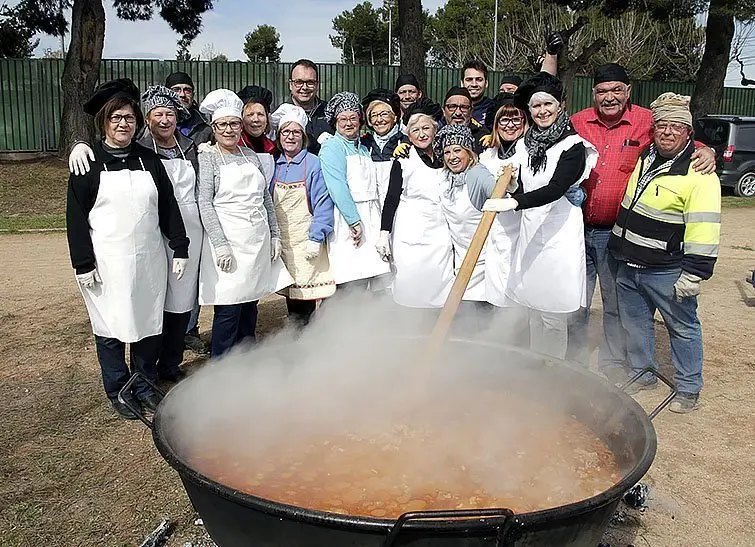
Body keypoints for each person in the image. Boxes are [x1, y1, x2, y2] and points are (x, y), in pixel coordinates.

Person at [569, 63, 716, 379]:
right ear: (594, 93)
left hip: (613, 235)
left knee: (613, 304)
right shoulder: (578, 122)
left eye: (616, 90)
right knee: (573, 302)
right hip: (574, 230)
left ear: (628, 92)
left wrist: (707, 150)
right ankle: (574, 362)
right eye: (603, 91)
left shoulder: (646, 121)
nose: (610, 97)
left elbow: (678, 133)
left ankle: (611, 363)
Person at [66, 78, 189, 419]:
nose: (123, 124)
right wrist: (83, 263)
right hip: (106, 264)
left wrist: (179, 246)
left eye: (129, 118)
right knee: (111, 326)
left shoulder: (149, 160)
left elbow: (168, 207)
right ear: (104, 122)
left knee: (148, 323)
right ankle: (119, 389)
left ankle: (145, 385)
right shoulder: (87, 163)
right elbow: (75, 218)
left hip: (149, 259)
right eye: (116, 118)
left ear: (138, 124)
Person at [609, 92, 721, 414]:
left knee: (682, 327)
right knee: (635, 324)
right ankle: (642, 373)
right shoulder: (647, 156)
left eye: (676, 127)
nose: (668, 132)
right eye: (662, 126)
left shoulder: (699, 173)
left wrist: (695, 273)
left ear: (688, 133)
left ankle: (688, 388)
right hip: (629, 262)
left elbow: (704, 226)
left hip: (666, 269)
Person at [481, 73, 597, 360]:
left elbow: (556, 189)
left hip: (559, 236)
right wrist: (512, 186)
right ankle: (535, 366)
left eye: (548, 104)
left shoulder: (573, 147)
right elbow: (525, 182)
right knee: (533, 306)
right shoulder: (526, 144)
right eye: (535, 106)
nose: (542, 111)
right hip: (531, 233)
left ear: (560, 106)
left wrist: (513, 202)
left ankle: (554, 371)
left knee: (552, 314)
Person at [196, 89, 287, 357]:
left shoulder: (250, 155)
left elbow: (265, 199)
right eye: (222, 125)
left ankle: (246, 358)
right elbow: (205, 202)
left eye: (234, 124)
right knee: (229, 306)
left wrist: (274, 234)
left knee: (250, 303)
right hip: (229, 243)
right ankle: (221, 363)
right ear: (214, 127)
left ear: (241, 126)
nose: (229, 130)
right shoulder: (208, 156)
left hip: (255, 241)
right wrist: (220, 244)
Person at [137, 85, 203, 382]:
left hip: (191, 229)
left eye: (170, 114)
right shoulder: (139, 149)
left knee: (181, 301)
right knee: (153, 299)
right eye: (158, 114)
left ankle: (171, 363)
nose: (165, 120)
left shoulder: (189, 146)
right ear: (147, 118)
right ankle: (146, 369)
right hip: (154, 229)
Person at [376, 98, 454, 308]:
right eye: (416, 130)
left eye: (426, 128)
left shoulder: (447, 157)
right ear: (408, 135)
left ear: (435, 129)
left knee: (440, 287)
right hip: (410, 233)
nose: (422, 134)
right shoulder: (403, 160)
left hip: (439, 234)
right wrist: (384, 233)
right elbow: (391, 199)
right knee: (411, 287)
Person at [269, 103, 336, 327]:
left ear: (303, 136)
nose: (290, 137)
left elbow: (323, 203)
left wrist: (316, 238)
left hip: (308, 242)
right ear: (278, 136)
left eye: (295, 132)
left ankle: (320, 344)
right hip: (286, 244)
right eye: (285, 132)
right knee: (295, 303)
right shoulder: (274, 165)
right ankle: (298, 345)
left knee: (317, 297)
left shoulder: (313, 164)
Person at [318, 92, 391, 291]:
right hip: (348, 220)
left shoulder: (363, 148)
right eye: (343, 118)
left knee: (379, 282)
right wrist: (353, 221)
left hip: (372, 217)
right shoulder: (332, 147)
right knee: (352, 284)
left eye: (353, 117)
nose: (349, 123)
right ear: (335, 122)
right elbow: (337, 186)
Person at [434, 124, 492, 303]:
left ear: (469, 152)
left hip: (483, 262)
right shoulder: (445, 178)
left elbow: (497, 192)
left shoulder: (477, 173)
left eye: (457, 150)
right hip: (459, 258)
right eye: (447, 152)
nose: (452, 157)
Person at [361, 88, 404, 205]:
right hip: (372, 206)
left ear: (395, 116)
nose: (379, 120)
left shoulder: (405, 142)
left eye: (384, 114)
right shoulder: (363, 144)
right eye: (374, 115)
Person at [288, 59, 330, 154]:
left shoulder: (330, 112)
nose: (304, 87)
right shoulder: (281, 115)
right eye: (299, 82)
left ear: (317, 85)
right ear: (290, 85)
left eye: (310, 82)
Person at [165, 71, 213, 145]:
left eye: (187, 90)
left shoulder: (205, 129)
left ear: (193, 95)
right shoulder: (156, 125)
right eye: (176, 90)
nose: (182, 95)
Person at [440, 87, 488, 153]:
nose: (458, 113)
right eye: (452, 107)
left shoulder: (482, 138)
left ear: (471, 111)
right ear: (443, 111)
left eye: (464, 107)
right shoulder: (436, 137)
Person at [461, 60, 492, 126]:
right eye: (469, 80)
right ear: (462, 83)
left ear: (486, 83)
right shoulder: (452, 109)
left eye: (479, 79)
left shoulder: (493, 109)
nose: (474, 84)